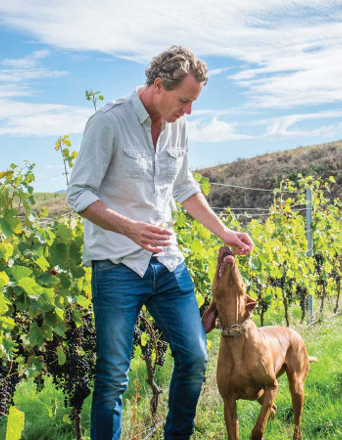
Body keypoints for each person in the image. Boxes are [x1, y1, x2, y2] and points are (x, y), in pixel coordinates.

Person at [66, 46, 253, 440]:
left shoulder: (178, 125)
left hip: (167, 263)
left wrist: (224, 233)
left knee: (195, 356)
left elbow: (184, 187)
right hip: (117, 264)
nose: (189, 111)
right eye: (184, 100)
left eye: (193, 102)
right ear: (157, 85)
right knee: (113, 375)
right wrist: (129, 228)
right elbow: (79, 194)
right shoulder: (109, 122)